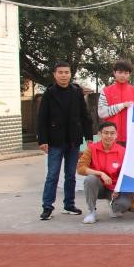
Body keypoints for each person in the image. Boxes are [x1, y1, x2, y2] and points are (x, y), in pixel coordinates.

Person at [37, 61, 94, 220]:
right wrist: (42, 140)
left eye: (66, 72)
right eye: (60, 72)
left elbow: (85, 116)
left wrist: (89, 136)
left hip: (73, 140)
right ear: (55, 75)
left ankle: (69, 205)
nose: (63, 75)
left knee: (70, 175)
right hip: (55, 141)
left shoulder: (76, 92)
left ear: (70, 74)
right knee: (52, 175)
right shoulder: (49, 93)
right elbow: (42, 118)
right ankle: (47, 207)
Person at [98, 59, 134, 211]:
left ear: (130, 75)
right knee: (113, 170)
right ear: (114, 73)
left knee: (130, 170)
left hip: (130, 138)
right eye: (120, 72)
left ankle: (132, 199)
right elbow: (102, 112)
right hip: (111, 139)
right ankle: (114, 198)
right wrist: (121, 106)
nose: (123, 75)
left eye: (126, 73)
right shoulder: (106, 91)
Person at [76, 121, 134, 224]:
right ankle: (91, 212)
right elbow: (80, 168)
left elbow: (127, 174)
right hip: (98, 186)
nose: (109, 136)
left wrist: (119, 189)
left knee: (124, 204)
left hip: (114, 189)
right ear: (99, 134)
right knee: (90, 179)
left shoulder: (123, 151)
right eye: (106, 133)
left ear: (116, 135)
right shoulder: (91, 148)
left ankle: (114, 207)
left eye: (112, 133)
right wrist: (101, 174)